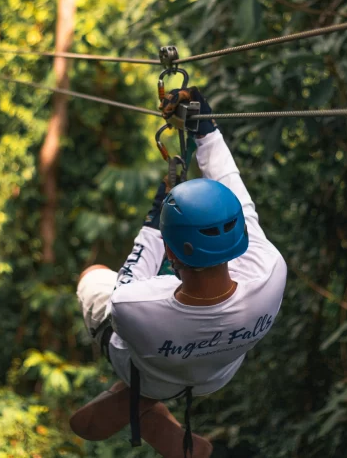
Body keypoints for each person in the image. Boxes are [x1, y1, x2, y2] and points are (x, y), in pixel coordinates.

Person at [70, 86, 288, 457]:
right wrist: (206, 130)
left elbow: (128, 282)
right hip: (215, 375)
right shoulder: (269, 270)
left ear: (172, 253)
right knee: (163, 352)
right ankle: (150, 403)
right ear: (239, 238)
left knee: (93, 275)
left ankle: (144, 397)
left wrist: (158, 214)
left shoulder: (135, 306)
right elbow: (238, 195)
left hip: (149, 369)